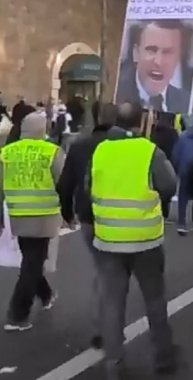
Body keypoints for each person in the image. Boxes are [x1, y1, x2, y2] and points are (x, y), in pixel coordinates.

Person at [87, 102, 179, 378]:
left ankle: (113, 363)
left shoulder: (101, 149)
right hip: (145, 238)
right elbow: (169, 185)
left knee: (112, 302)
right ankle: (163, 358)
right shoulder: (150, 151)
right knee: (154, 298)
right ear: (142, 122)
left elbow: (88, 186)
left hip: (108, 238)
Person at [57, 103, 118, 347]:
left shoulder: (80, 146)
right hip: (120, 217)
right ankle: (107, 327)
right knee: (112, 273)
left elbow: (65, 183)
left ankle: (101, 326)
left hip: (88, 215)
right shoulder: (125, 147)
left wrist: (67, 212)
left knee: (103, 271)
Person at [0, 113, 67, 331]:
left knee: (31, 259)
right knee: (32, 262)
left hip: (18, 213)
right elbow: (64, 183)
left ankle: (46, 294)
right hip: (44, 214)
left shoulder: (7, 152)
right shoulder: (51, 151)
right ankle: (17, 314)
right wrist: (68, 212)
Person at [115, 19, 193, 114]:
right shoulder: (116, 95)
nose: (158, 62)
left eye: (167, 52)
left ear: (178, 58)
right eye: (151, 50)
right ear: (136, 53)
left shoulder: (187, 102)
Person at [171, 111, 193, 235]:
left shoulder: (184, 135)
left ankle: (181, 222)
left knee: (183, 195)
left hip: (185, 167)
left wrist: (177, 167)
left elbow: (176, 153)